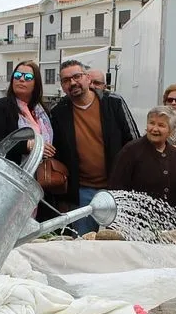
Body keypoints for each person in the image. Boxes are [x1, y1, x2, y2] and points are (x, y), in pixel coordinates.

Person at [51, 59, 138, 235]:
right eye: (66, 80)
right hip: (81, 192)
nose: (72, 83)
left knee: (118, 242)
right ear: (62, 86)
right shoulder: (58, 111)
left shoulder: (113, 102)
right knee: (83, 243)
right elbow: (57, 152)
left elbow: (133, 141)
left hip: (116, 189)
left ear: (88, 78)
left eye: (77, 76)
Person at [110, 106, 176, 212]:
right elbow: (116, 189)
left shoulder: (175, 155)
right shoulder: (131, 151)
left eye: (161, 125)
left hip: (170, 218)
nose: (154, 129)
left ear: (170, 131)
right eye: (151, 123)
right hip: (137, 217)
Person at [0, 60, 55, 163]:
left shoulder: (42, 111)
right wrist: (27, 146)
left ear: (36, 83)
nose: (21, 79)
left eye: (28, 77)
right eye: (17, 75)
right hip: (8, 169)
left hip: (40, 169)